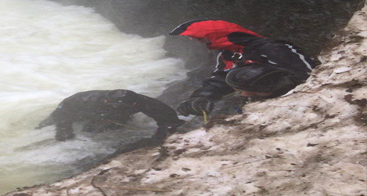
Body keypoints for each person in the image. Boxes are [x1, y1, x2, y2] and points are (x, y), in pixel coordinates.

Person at [170, 19, 317, 116]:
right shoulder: (227, 55)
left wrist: (266, 87)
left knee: (243, 77)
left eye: (201, 39)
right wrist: (200, 98)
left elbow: (308, 73)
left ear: (216, 36)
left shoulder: (272, 48)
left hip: (295, 102)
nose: (200, 43)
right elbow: (219, 80)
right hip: (261, 107)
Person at [37, 89, 184, 141]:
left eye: (133, 105)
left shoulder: (138, 101)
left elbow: (165, 114)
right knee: (47, 127)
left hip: (109, 115)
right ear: (107, 100)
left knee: (92, 130)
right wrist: (64, 128)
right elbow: (62, 111)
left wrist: (166, 127)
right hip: (79, 112)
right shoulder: (86, 99)